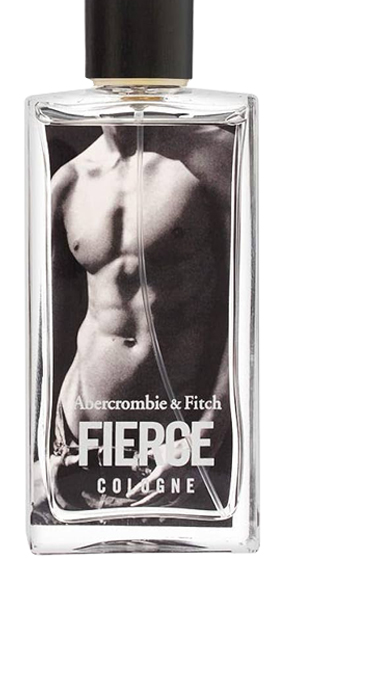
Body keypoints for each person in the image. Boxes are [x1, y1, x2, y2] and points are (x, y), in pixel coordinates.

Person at [37, 124, 233, 516]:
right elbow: (44, 328)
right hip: (75, 445)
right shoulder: (68, 181)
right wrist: (37, 452)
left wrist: (208, 431)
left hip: (175, 444)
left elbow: (250, 304)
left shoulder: (212, 155)